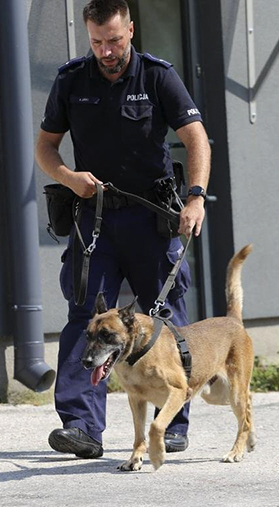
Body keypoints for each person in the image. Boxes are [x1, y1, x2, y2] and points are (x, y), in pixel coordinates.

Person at [35, 0, 211, 459]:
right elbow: (46, 147)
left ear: (130, 30)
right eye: (97, 42)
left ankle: (172, 422)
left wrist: (195, 197)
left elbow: (196, 138)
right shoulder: (72, 79)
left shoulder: (157, 76)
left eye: (113, 40)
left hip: (152, 217)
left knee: (167, 314)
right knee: (85, 319)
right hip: (94, 220)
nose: (106, 51)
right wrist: (69, 178)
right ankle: (82, 426)